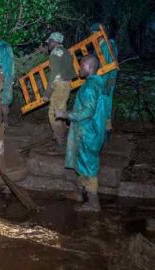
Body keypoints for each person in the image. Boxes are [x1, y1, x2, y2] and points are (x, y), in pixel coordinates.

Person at [55, 55, 108, 212]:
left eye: (81, 66)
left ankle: (93, 203)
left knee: (88, 166)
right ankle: (79, 193)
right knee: (82, 161)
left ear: (90, 67)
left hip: (88, 132)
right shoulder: (98, 83)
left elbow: (88, 111)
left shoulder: (90, 87)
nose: (79, 69)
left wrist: (67, 115)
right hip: (92, 129)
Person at [43, 32, 76, 151]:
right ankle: (61, 136)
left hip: (59, 86)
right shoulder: (67, 52)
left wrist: (47, 93)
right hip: (67, 84)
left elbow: (54, 75)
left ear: (54, 41)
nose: (48, 44)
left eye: (49, 42)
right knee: (61, 111)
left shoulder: (55, 53)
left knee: (53, 113)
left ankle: (60, 140)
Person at [90, 23, 118, 137]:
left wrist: (104, 83)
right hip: (103, 80)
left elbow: (107, 67)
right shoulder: (101, 45)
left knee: (103, 105)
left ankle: (104, 132)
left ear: (99, 33)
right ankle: (104, 130)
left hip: (105, 81)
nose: (91, 36)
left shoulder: (106, 46)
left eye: (93, 33)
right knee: (102, 105)